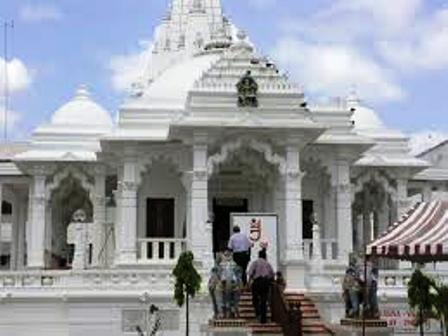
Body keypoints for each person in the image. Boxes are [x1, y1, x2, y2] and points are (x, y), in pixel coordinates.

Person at [247, 249, 274, 324]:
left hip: (257, 282)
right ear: (265, 256)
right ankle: (263, 319)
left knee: (255, 298)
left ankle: (258, 312)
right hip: (265, 282)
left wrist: (249, 283)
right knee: (264, 300)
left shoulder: (255, 263)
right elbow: (272, 275)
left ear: (259, 256)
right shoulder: (267, 264)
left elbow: (250, 273)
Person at [218, 249, 241, 318]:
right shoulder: (221, 264)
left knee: (233, 299)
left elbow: (237, 274)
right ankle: (225, 313)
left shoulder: (234, 264)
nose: (227, 257)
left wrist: (237, 282)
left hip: (233, 284)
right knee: (224, 299)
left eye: (228, 255)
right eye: (226, 255)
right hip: (224, 284)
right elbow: (219, 274)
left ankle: (233, 312)